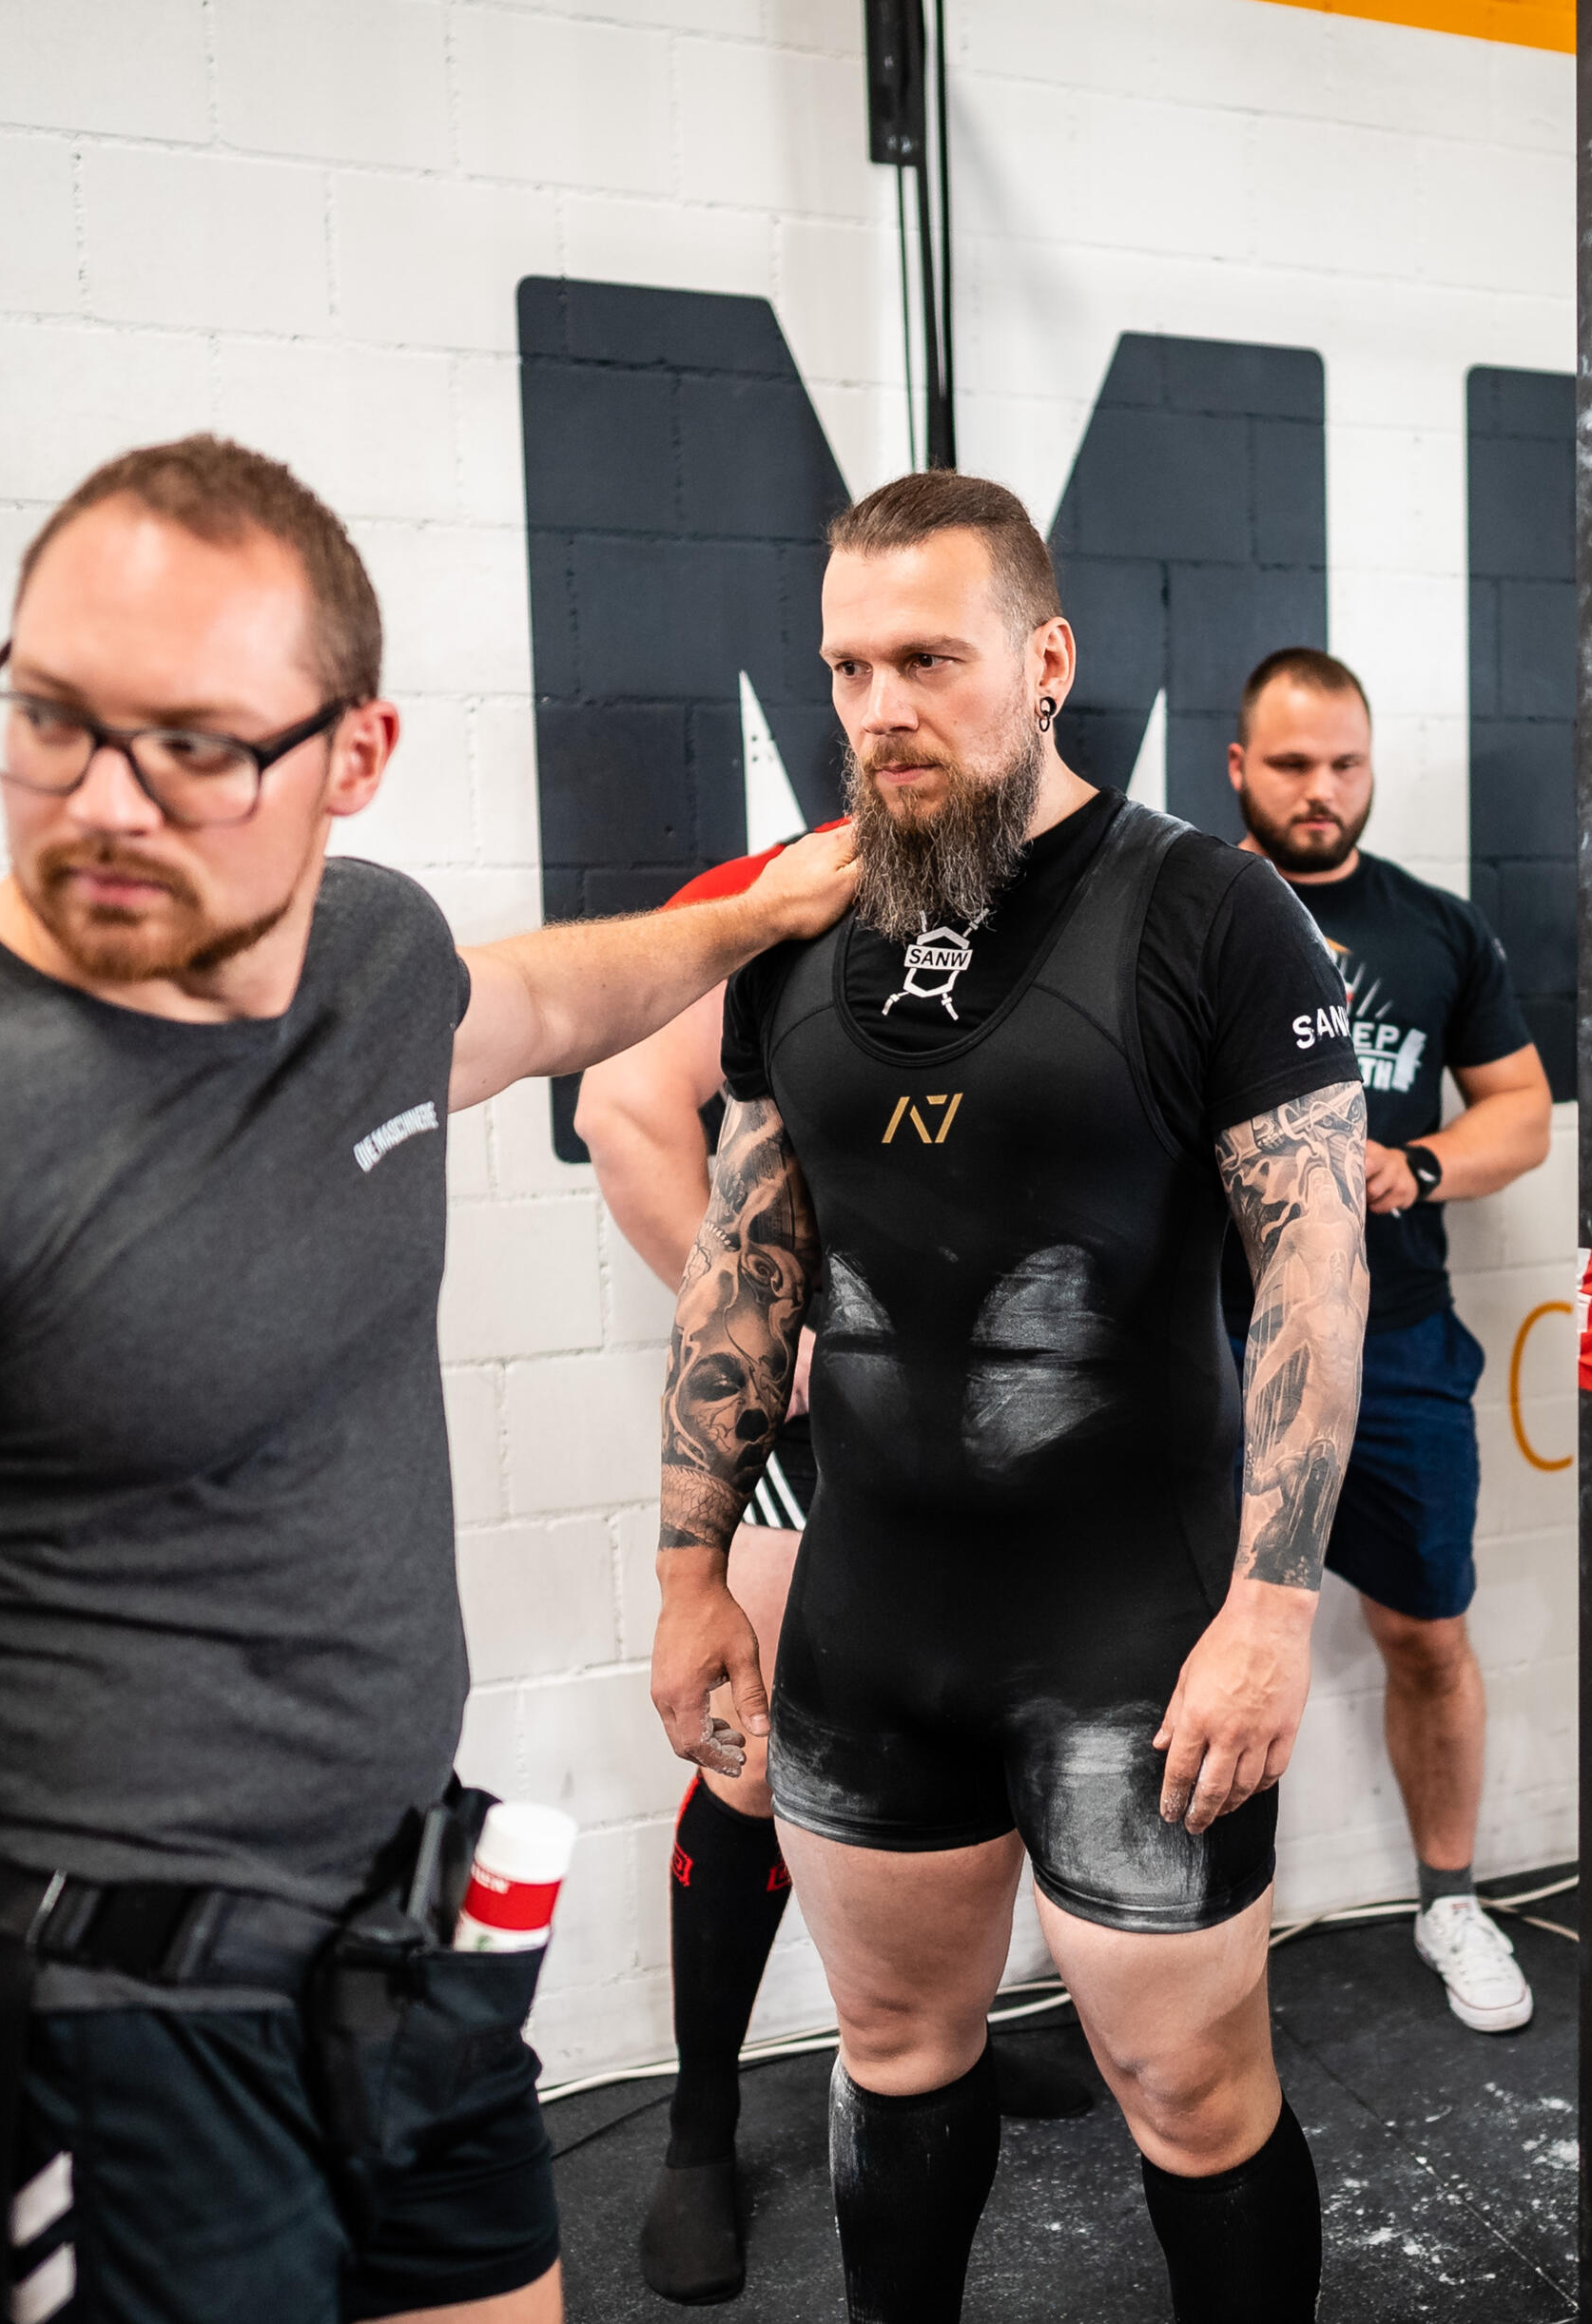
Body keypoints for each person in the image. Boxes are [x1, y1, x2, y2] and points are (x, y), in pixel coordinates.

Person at [0, 435, 859, 2324]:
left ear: (355, 757)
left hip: (395, 1923)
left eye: (195, 743)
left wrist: (766, 909)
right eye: (50, 720)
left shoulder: (364, 962)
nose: (102, 803)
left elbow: (547, 996)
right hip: (89, 2023)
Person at [648, 469, 1370, 2324]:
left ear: (1044, 659)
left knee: (1191, 2095)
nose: (880, 705)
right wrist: (685, 1565)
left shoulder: (1211, 914)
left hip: (1136, 1640)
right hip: (874, 1634)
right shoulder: (799, 925)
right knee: (891, 2052)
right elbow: (750, 1258)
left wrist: (1276, 1607)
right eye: (846, 666)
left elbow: (1311, 1272)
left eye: (927, 657)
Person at [577, 843, 1092, 2310]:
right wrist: (776, 1345)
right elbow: (622, 1106)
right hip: (832, 1409)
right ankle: (696, 2131)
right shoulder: (793, 888)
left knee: (983, 1714)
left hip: (1009, 1433)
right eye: (871, 671)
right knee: (762, 1752)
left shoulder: (1076, 890)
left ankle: (952, 2047)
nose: (905, 708)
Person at [1222, 647, 1554, 2034]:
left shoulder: (1436, 931)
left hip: (1399, 1343)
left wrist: (1415, 1164)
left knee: (1426, 1633)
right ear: (1238, 768)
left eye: (1343, 764)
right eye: (1291, 765)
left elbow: (1522, 1113)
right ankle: (1208, 1938)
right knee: (1204, 1647)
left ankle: (1451, 1900)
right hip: (1215, 1353)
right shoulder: (1188, 916)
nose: (1321, 791)